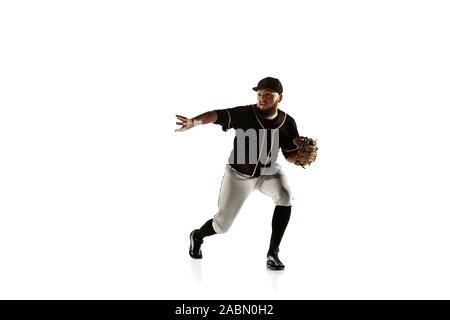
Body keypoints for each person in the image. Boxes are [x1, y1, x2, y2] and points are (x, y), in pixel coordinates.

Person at [175, 77, 305, 270]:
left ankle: (272, 254)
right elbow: (216, 115)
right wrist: (195, 121)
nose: (262, 98)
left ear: (280, 98)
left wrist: (302, 157)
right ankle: (197, 235)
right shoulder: (245, 113)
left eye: (269, 94)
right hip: (239, 175)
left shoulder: (287, 122)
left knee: (286, 196)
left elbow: (290, 156)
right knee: (222, 225)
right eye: (260, 94)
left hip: (269, 173)